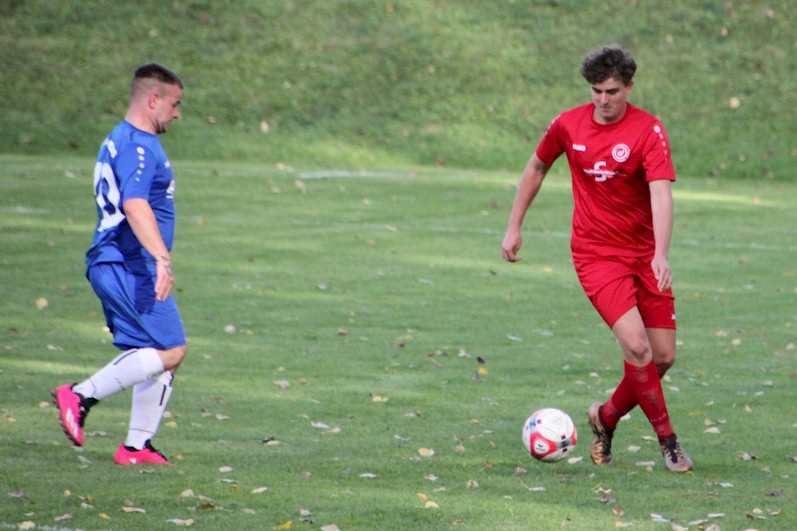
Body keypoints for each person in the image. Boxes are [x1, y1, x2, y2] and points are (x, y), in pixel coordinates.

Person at [502, 46, 692, 472]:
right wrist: (514, 225)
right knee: (638, 346)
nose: (603, 101)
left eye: (611, 91)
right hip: (596, 254)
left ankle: (605, 417)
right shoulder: (568, 124)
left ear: (629, 87)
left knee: (663, 357)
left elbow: (661, 192)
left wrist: (660, 253)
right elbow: (536, 167)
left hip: (644, 253)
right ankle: (670, 442)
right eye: (595, 91)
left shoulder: (649, 131)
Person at [52, 63, 186, 465]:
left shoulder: (120, 138)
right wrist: (161, 258)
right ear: (153, 99)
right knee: (173, 349)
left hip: (116, 260)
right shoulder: (140, 146)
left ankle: (135, 447)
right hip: (128, 263)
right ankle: (79, 395)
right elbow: (134, 203)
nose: (177, 113)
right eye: (175, 103)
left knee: (154, 350)